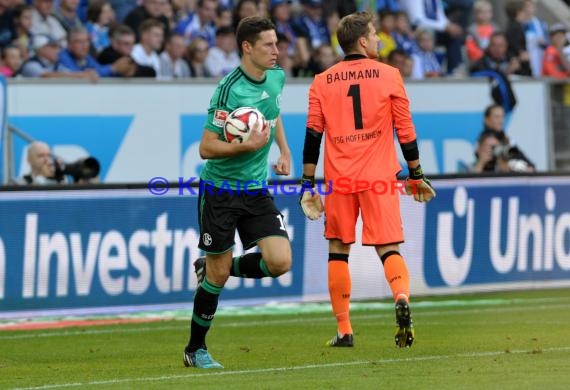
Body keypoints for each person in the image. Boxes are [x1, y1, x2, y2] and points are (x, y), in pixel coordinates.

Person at [300, 11, 435, 349]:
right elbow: (405, 130)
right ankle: (401, 295)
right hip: (379, 178)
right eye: (375, 35)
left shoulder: (321, 81)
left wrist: (306, 183)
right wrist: (416, 173)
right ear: (362, 40)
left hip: (340, 178)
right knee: (388, 247)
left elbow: (313, 134)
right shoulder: (390, 75)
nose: (378, 40)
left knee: (337, 250)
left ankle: (345, 330)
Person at [183, 15, 292, 369]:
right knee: (216, 277)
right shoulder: (228, 90)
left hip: (256, 189)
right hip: (220, 191)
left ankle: (218, 267)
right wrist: (245, 148)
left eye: (276, 43)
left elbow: (273, 114)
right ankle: (195, 350)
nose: (277, 51)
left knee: (280, 261)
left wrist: (284, 151)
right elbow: (206, 147)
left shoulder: (276, 78)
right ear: (247, 47)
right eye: (268, 45)